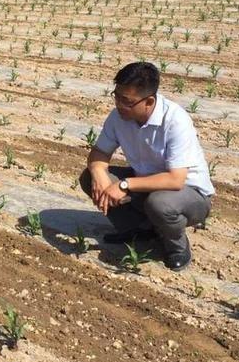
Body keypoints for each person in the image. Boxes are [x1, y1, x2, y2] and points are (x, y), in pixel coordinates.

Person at [79, 61, 214, 271]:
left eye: (127, 101)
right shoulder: (118, 117)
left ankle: (176, 247)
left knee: (159, 203)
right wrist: (98, 172)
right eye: (116, 96)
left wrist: (123, 185)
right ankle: (141, 230)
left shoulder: (175, 120)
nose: (119, 105)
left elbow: (175, 180)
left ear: (149, 101)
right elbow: (99, 153)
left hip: (190, 194)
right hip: (146, 184)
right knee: (89, 178)